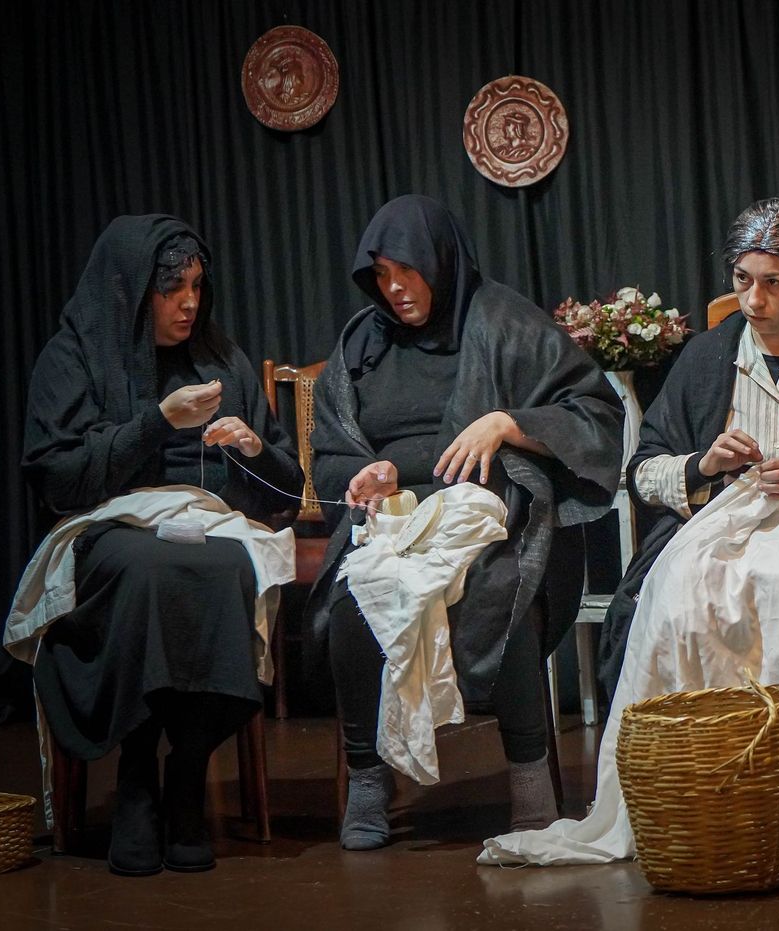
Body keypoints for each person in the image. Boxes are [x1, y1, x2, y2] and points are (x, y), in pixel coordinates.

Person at [478, 197, 779, 866]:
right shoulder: (707, 359)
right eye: (744, 280)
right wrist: (703, 463)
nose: (755, 298)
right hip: (716, 522)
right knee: (680, 593)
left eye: (773, 282)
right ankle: (697, 786)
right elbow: (641, 471)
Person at [307, 195, 622, 850]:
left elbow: (595, 413)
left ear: (440, 264)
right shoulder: (363, 344)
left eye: (407, 273)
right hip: (393, 518)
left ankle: (530, 776)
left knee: (499, 585)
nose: (395, 290)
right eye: (382, 276)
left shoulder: (506, 323)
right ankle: (368, 775)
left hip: (490, 508)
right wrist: (369, 473)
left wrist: (513, 423)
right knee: (353, 597)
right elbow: (332, 448)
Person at [9, 215, 303, 876]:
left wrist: (255, 449)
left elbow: (285, 486)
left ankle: (189, 771)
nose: (190, 303)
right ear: (133, 291)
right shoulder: (76, 355)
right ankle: (138, 774)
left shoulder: (222, 357)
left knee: (224, 565)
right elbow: (57, 475)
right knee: (144, 568)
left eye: (197, 286)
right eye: (172, 290)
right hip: (107, 526)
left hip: (208, 523)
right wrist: (157, 421)